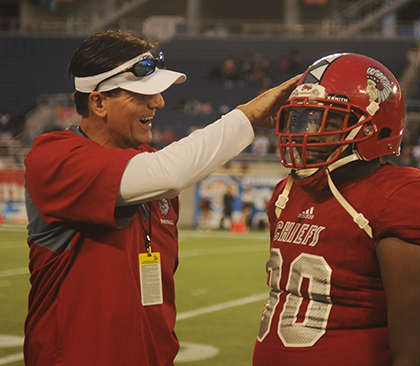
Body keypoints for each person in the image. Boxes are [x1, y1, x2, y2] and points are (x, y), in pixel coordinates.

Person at [23, 30, 300, 366]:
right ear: (97, 102)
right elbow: (168, 173)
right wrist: (248, 116)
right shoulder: (54, 158)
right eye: (142, 94)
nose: (158, 102)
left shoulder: (150, 167)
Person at [253, 53, 420, 366]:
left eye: (325, 120)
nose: (306, 132)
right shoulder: (287, 192)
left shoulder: (404, 197)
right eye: (303, 117)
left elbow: (418, 357)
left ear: (372, 127)